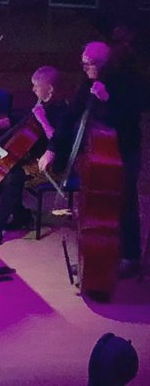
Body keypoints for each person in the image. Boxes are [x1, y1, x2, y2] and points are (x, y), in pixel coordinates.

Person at [40, 41, 145, 277]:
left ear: (104, 63)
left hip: (125, 151)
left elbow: (135, 111)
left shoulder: (126, 80)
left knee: (125, 202)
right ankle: (98, 255)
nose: (85, 68)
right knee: (98, 207)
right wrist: (52, 148)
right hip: (98, 153)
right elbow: (70, 116)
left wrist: (109, 100)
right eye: (83, 63)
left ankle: (130, 257)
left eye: (90, 64)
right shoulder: (87, 81)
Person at [0, 65, 69, 250]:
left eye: (36, 85)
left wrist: (42, 119)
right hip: (34, 158)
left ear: (49, 89)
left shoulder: (63, 111)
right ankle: (21, 215)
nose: (32, 89)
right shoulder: (40, 105)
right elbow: (19, 117)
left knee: (13, 175)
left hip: (52, 164)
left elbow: (57, 140)